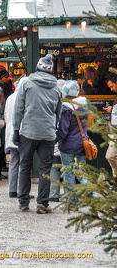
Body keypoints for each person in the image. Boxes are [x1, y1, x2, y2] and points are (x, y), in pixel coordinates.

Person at [13, 54, 62, 214]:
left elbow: (18, 108)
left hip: (28, 131)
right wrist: (53, 128)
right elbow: (58, 113)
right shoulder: (56, 87)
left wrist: (15, 130)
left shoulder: (26, 82)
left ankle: (23, 202)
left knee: (25, 166)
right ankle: (42, 203)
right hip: (47, 133)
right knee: (45, 169)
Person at [56, 80, 89, 210]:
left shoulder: (66, 109)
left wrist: (55, 140)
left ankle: (73, 202)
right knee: (82, 173)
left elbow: (63, 130)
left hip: (68, 146)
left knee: (69, 173)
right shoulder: (84, 106)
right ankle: (93, 195)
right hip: (82, 144)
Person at [4, 77, 29, 198]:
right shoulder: (24, 97)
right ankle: (21, 190)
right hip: (21, 131)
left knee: (13, 161)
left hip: (10, 131)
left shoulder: (10, 97)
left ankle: (12, 189)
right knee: (23, 163)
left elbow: (5, 115)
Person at [104, 74, 117, 179]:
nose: (111, 89)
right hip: (112, 130)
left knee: (110, 155)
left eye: (112, 86)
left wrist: (112, 110)